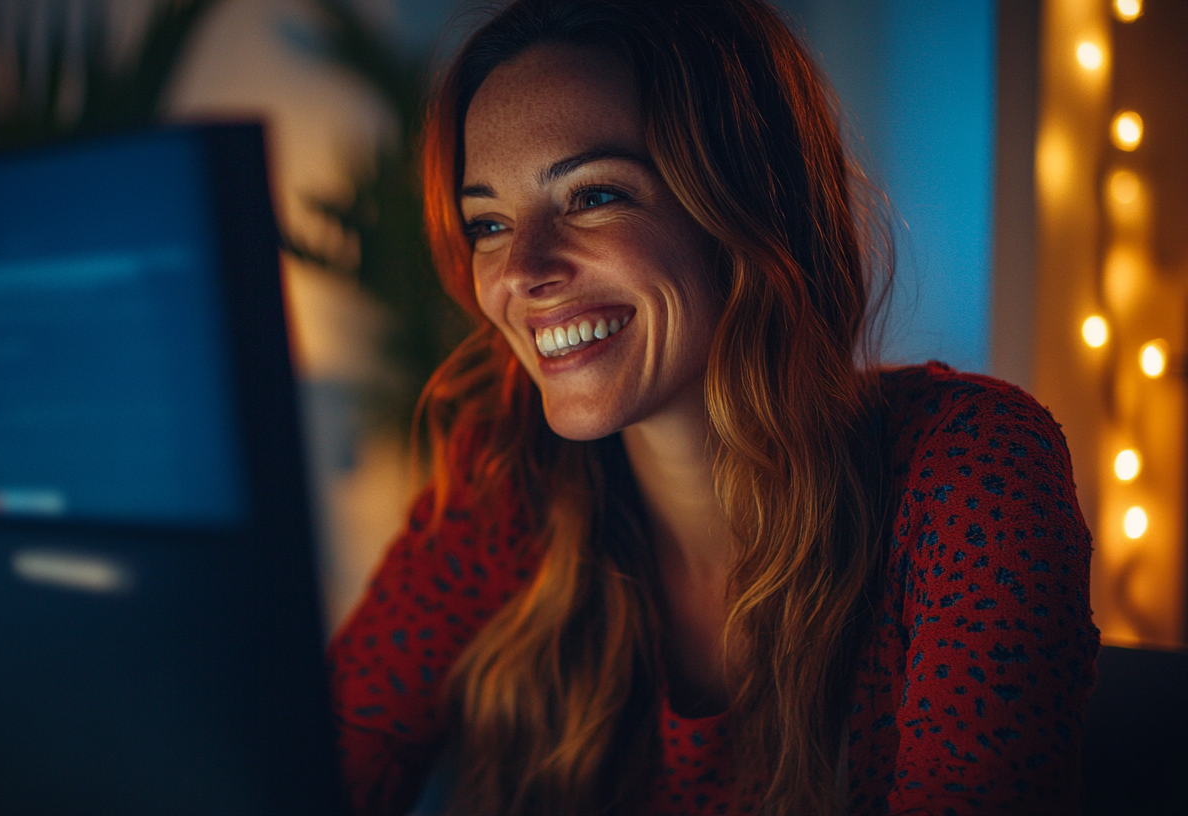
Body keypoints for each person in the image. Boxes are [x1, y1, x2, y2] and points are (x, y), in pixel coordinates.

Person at [326, 1, 1099, 814]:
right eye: (487, 221)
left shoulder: (966, 474)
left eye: (592, 195)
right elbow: (313, 772)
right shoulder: (503, 491)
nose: (520, 271)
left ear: (746, 202)